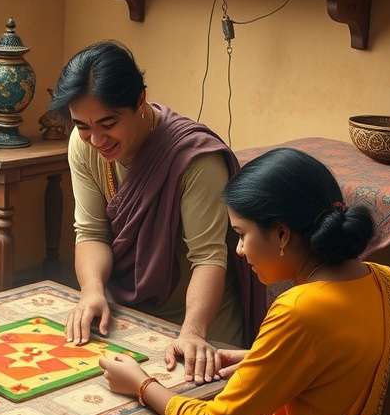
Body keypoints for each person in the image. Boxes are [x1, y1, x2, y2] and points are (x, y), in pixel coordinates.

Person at [99, 148, 390, 415]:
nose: (240, 250)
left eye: (241, 234)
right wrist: (256, 358)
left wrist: (141, 383)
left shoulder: (299, 310)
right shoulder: (386, 279)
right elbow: (346, 361)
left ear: (282, 234)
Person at [51, 41, 262, 384]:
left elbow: (208, 257)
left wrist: (193, 332)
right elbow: (90, 233)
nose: (97, 139)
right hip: (128, 315)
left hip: (196, 320)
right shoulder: (83, 143)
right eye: (83, 125)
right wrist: (92, 290)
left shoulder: (195, 160)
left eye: (108, 123)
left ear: (140, 100)